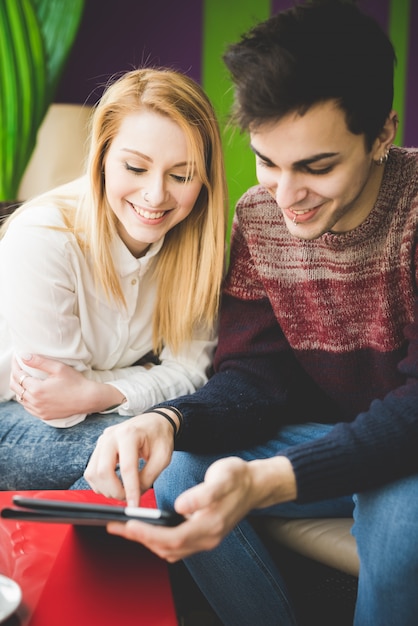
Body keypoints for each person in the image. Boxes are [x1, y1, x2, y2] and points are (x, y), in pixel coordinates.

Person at [84, 2, 418, 625]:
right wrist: (168, 420)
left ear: (381, 134)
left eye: (317, 168)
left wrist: (267, 480)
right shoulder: (259, 218)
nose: (287, 197)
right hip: (331, 441)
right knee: (182, 473)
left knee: (397, 515)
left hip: (409, 449)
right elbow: (253, 378)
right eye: (268, 162)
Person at [0, 67, 227, 489]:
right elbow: (59, 405)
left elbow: (194, 373)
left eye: (181, 175)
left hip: (101, 415)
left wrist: (99, 392)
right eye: (135, 168)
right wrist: (145, 374)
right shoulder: (45, 237)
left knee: (178, 458)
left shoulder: (199, 249)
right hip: (12, 418)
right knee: (173, 463)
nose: (156, 195)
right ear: (102, 158)